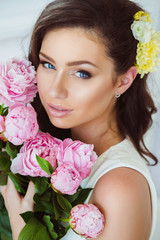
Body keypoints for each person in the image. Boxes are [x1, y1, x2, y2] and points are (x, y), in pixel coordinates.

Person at [0, 0, 159, 239]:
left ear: (123, 81)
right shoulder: (44, 149)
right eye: (48, 64)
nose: (55, 90)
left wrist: (23, 231)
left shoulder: (120, 188)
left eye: (81, 73)